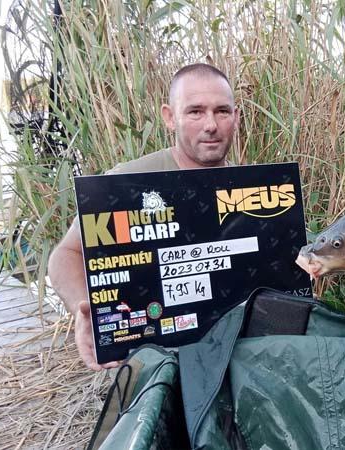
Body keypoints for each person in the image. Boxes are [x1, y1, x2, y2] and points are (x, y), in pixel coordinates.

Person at [47, 63, 239, 370]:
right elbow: (64, 255)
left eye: (222, 111)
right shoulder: (126, 183)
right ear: (169, 117)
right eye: (195, 111)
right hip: (155, 358)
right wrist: (86, 312)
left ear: (235, 117)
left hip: (232, 351)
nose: (211, 125)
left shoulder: (254, 186)